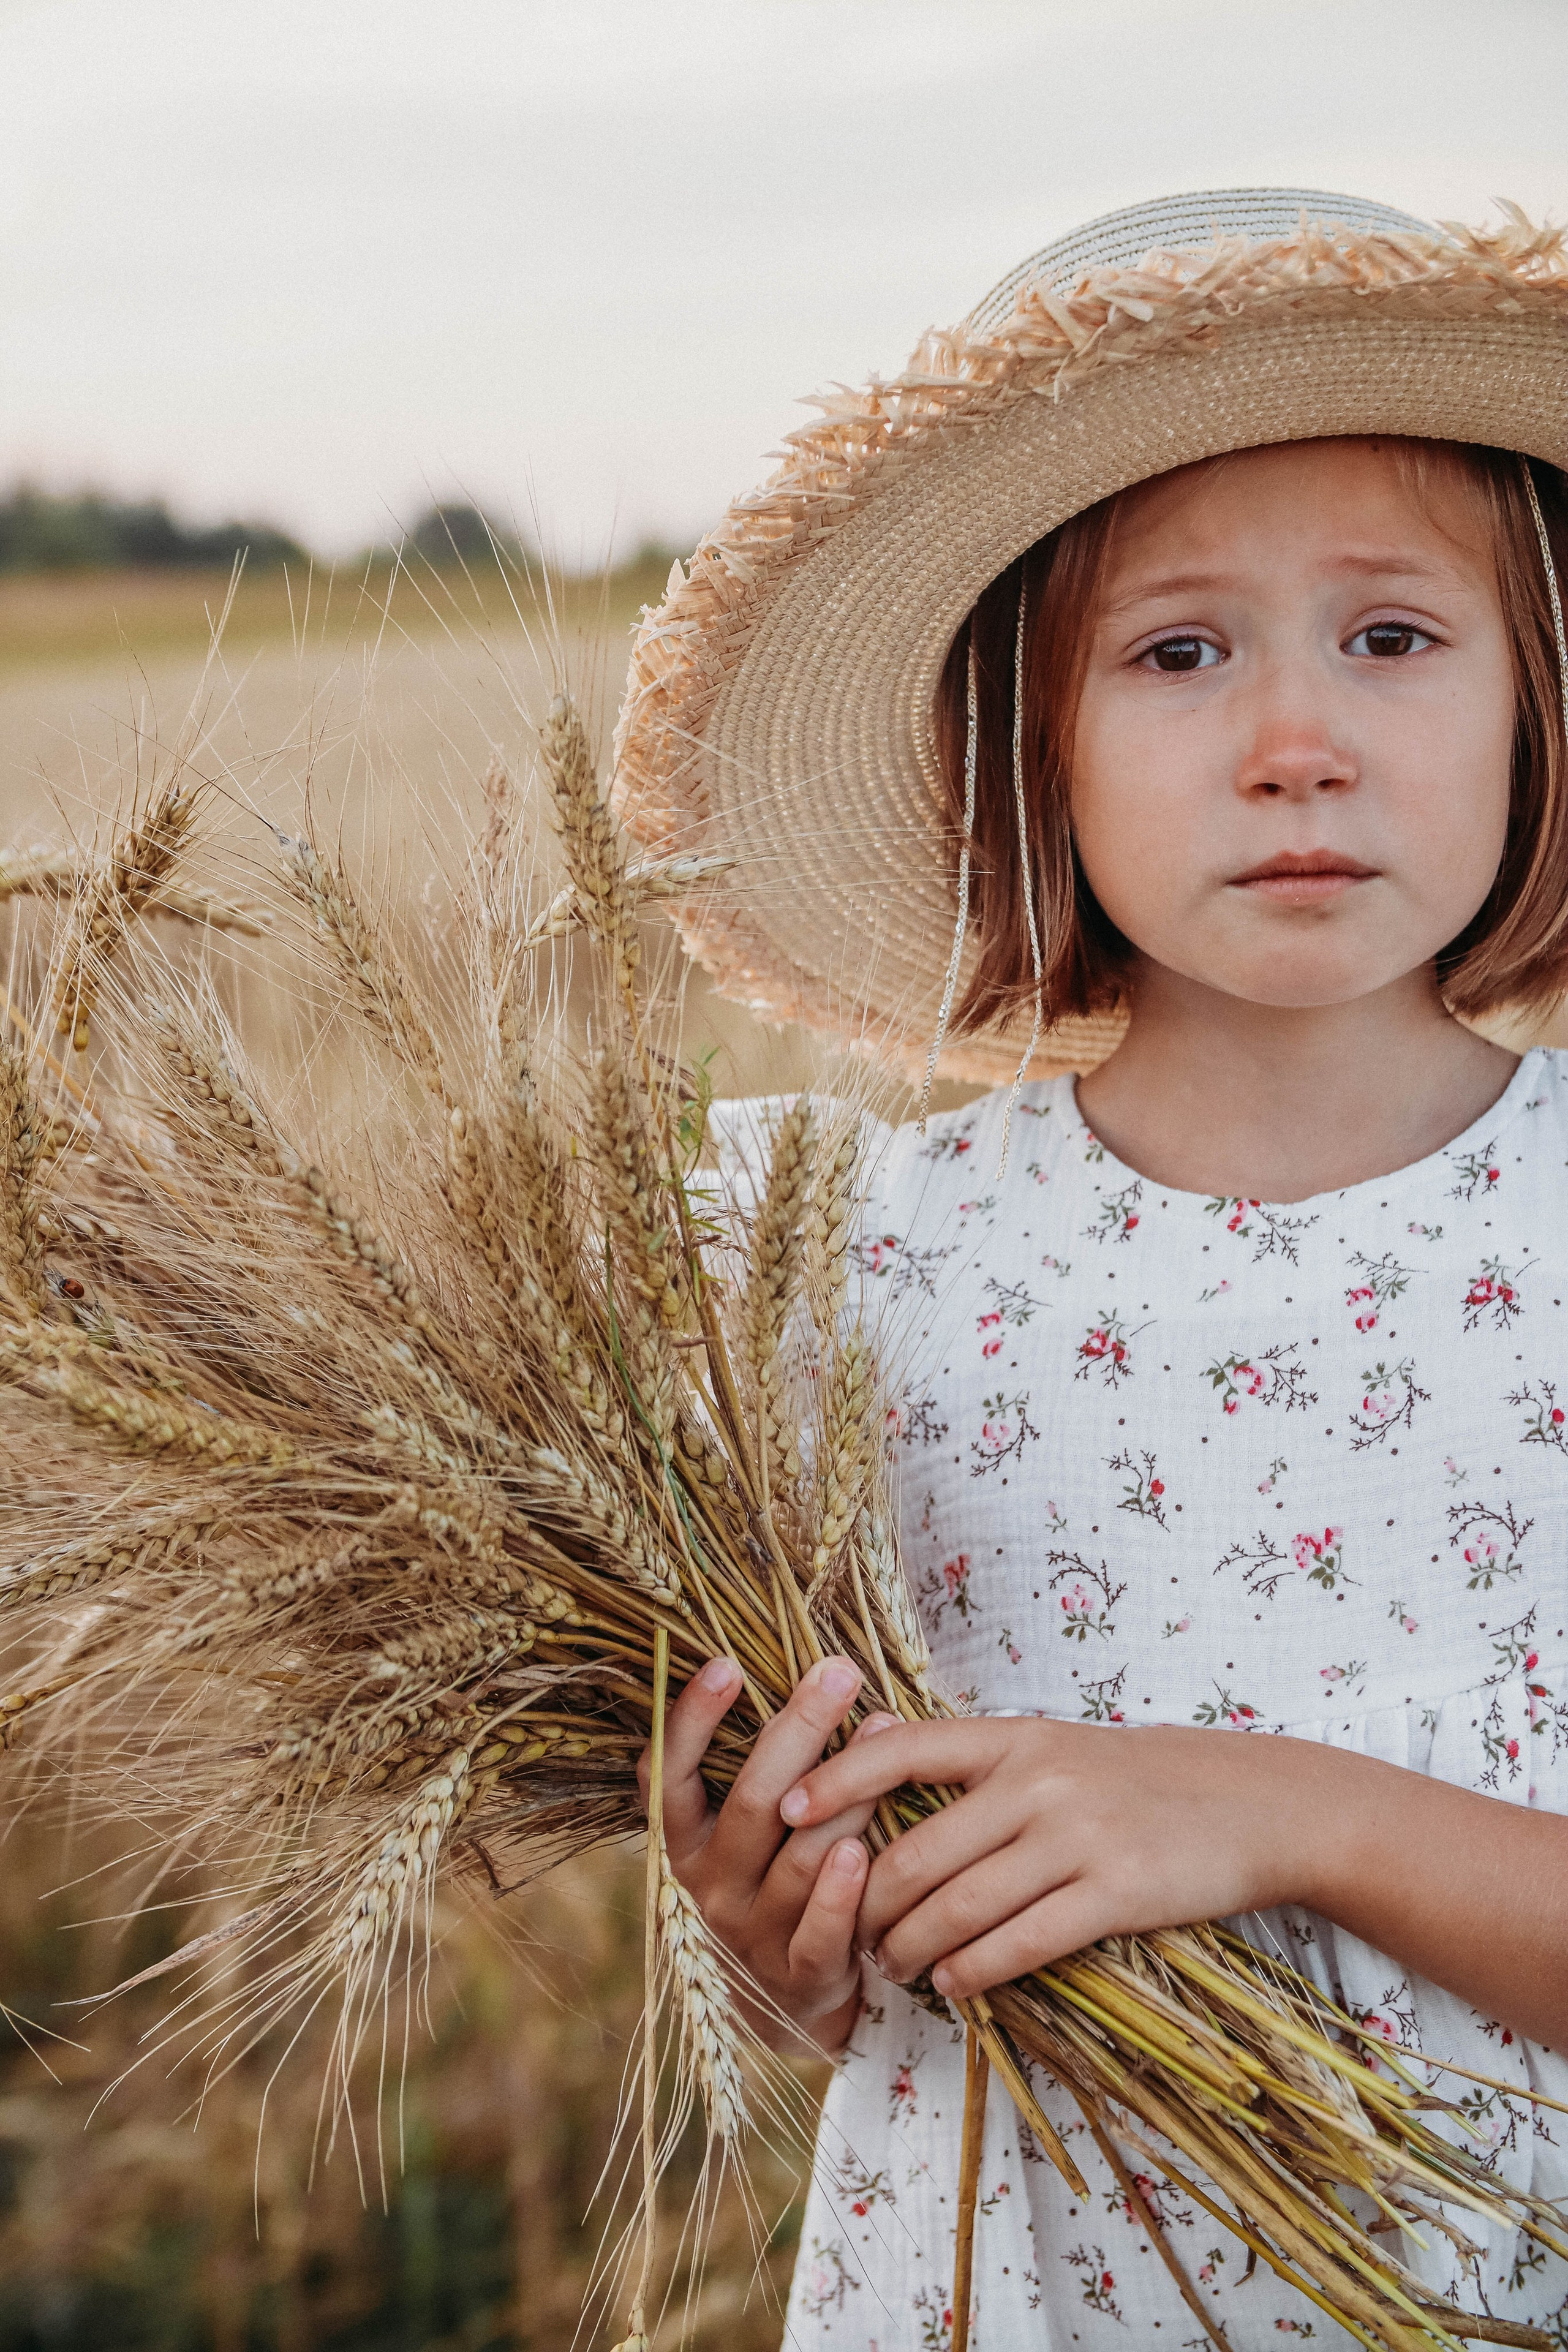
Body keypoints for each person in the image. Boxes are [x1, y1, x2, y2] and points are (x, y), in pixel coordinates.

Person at [616, 189, 1568, 2344]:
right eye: (1177, 652)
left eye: (1397, 639)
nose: (1296, 741)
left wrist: (1290, 1815)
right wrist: (782, 1930)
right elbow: (816, 1998)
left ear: (1542, 705)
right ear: (1021, 750)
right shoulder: (845, 1271)